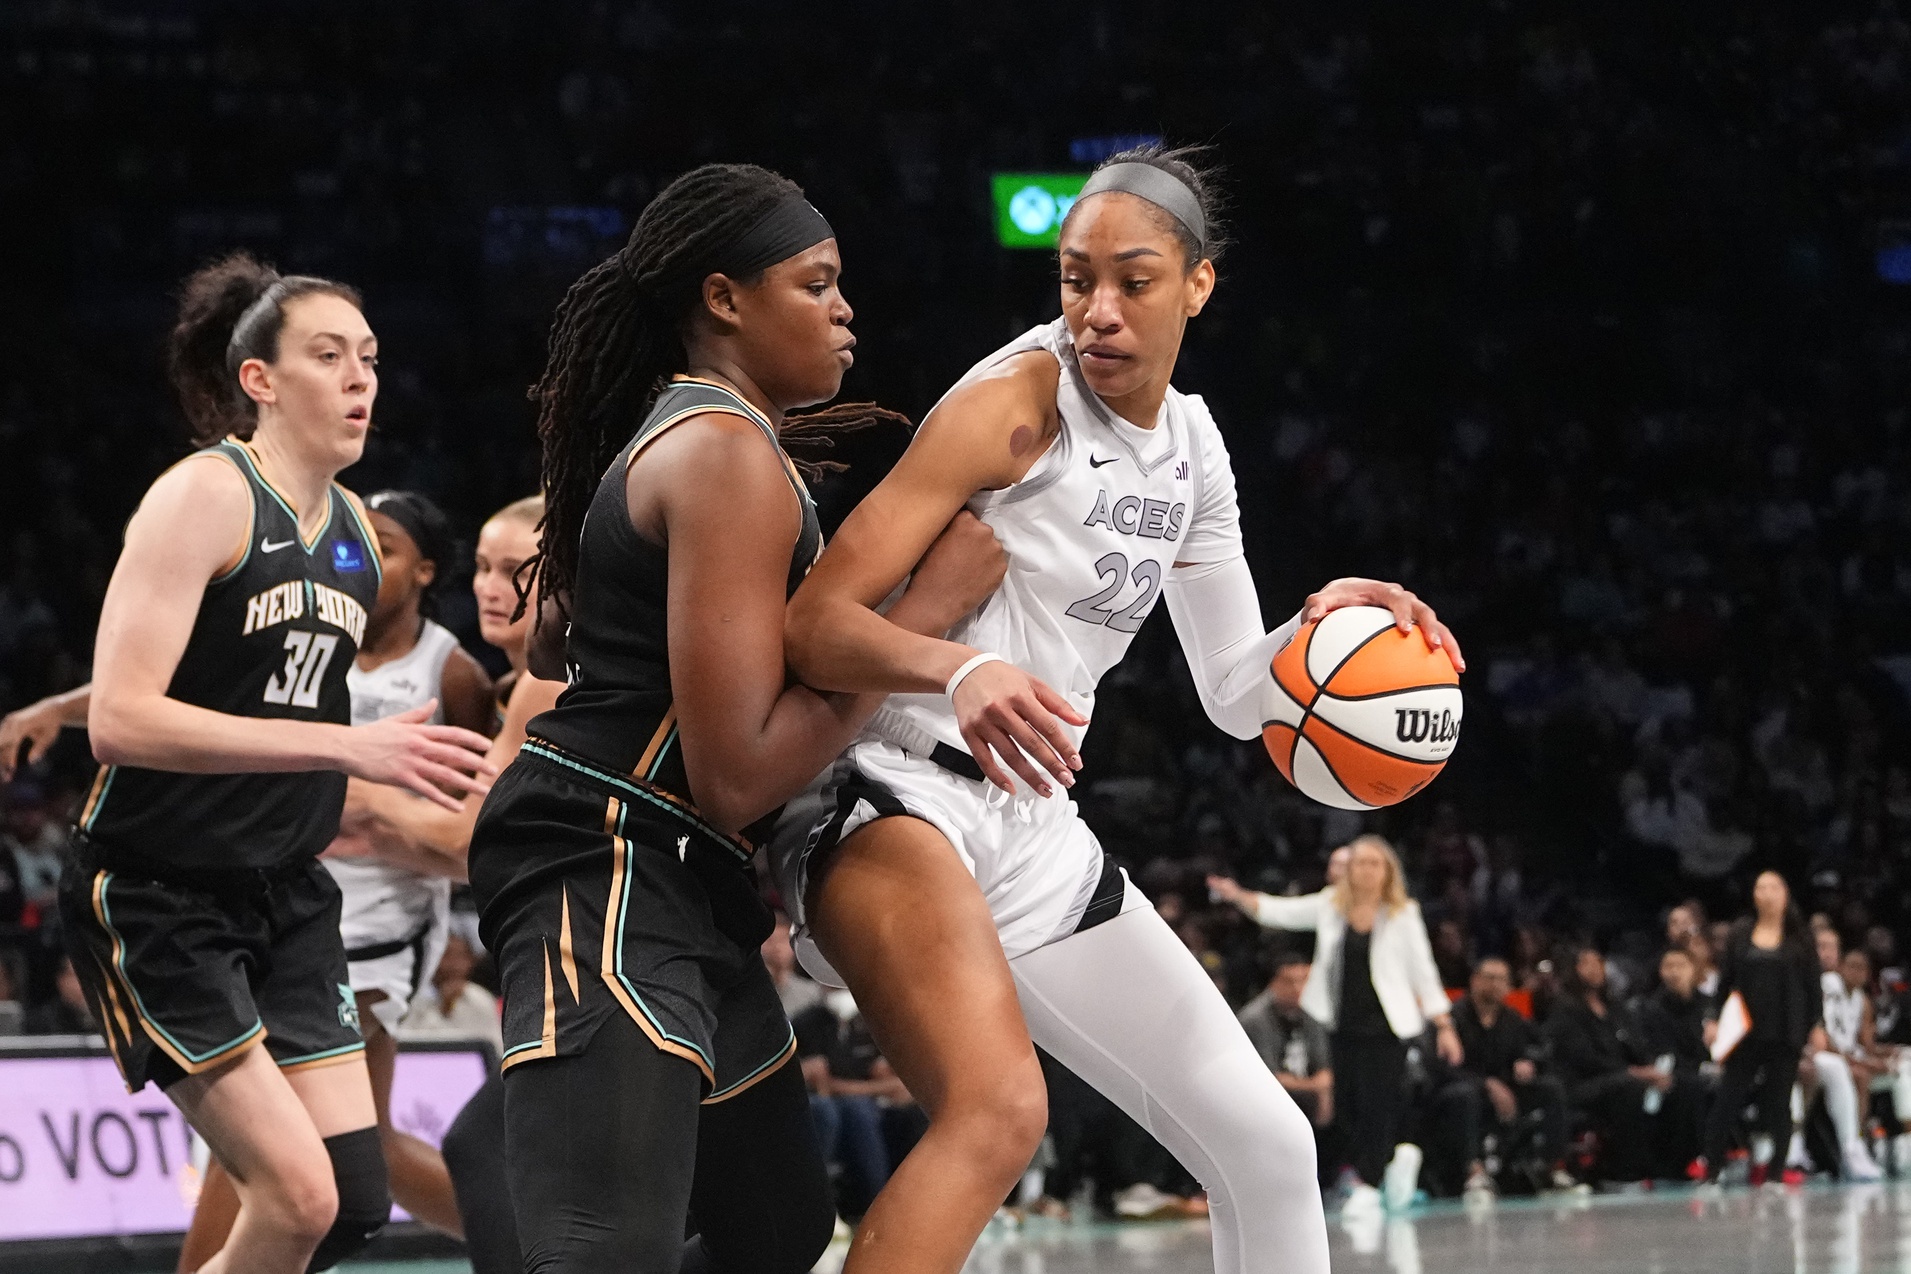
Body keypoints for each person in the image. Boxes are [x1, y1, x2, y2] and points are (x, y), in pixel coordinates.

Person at [777, 144, 1461, 1273]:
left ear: (1197, 283)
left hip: (1035, 830)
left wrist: (1328, 629)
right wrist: (957, 668)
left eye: (1132, 280)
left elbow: (1241, 696)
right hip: (894, 797)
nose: (1096, 310)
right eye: (1073, 278)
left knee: (1270, 1142)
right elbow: (815, 624)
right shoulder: (1010, 406)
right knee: (993, 1118)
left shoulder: (1194, 449)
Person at [469, 163, 1005, 1273]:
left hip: (685, 874)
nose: (844, 307)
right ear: (724, 298)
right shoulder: (721, 450)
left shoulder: (687, 435)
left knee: (779, 1230)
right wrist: (926, 620)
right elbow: (738, 774)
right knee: (604, 1254)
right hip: (609, 860)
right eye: (815, 283)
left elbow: (566, 639)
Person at [59, 254, 493, 1274]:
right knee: (295, 1194)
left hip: (289, 897)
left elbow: (262, 698)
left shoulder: (349, 535)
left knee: (348, 1203)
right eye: (329, 355)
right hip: (164, 895)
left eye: (371, 358)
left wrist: (333, 785)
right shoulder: (204, 496)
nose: (361, 379)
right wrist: (347, 748)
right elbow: (123, 716)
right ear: (259, 378)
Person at [1213, 836, 1459, 1213]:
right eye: (1360, 863)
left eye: (1375, 863)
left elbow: (1423, 971)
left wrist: (1443, 1024)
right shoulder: (1331, 906)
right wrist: (1238, 895)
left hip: (1387, 1027)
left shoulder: (1402, 913)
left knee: (1380, 1104)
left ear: (1388, 871)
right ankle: (1378, 1174)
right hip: (1341, 1023)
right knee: (1348, 1104)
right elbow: (1282, 911)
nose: (1366, 870)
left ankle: (1371, 1182)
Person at [1697, 871, 1824, 1187]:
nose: (1766, 893)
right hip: (1746, 1030)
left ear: (1785, 895)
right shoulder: (1740, 933)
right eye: (1760, 887)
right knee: (1728, 1098)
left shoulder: (1799, 937)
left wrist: (1817, 1025)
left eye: (1773, 887)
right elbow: (1725, 982)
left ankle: (1776, 1172)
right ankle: (1711, 1168)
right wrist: (1713, 1019)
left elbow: (1812, 986)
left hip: (1785, 1031)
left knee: (1777, 1102)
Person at [1545, 946, 1693, 1184]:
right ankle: (1627, 1169)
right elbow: (1584, 1058)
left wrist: (1652, 1068)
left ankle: (1675, 1164)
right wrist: (1633, 1072)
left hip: (1626, 1076)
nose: (1594, 969)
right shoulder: (1565, 1010)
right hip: (1584, 1084)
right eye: (1586, 963)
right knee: (1630, 1087)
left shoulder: (1615, 1007)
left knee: (1683, 1084)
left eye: (1598, 963)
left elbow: (1636, 1045)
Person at [1452, 957, 1574, 1191]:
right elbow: (1442, 1067)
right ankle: (1474, 1171)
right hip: (1465, 1087)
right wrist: (1486, 1084)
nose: (1496, 984)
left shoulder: (1513, 1019)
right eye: (1490, 978)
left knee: (1551, 1087)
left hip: (1508, 1086)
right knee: (1463, 1095)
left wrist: (1529, 1061)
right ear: (1475, 981)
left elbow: (1541, 1047)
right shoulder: (1455, 1017)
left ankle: (1553, 1167)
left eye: (1502, 979)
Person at [1237, 954, 1335, 1134]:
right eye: (1289, 982)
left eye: (1304, 980)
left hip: (1304, 1090)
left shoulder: (1313, 1010)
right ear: (1273, 983)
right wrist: (1315, 1086)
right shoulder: (1254, 1020)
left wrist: (1323, 1096)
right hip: (1268, 1098)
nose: (1298, 989)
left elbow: (1324, 1069)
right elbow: (1270, 1078)